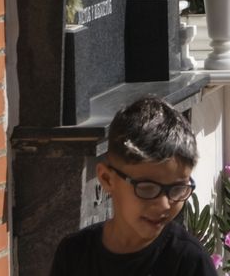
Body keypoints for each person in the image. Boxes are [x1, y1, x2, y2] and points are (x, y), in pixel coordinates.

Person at [49, 95, 216, 275]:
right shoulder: (74, 253)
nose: (164, 204)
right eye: (147, 188)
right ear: (106, 179)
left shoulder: (189, 262)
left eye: (177, 189)